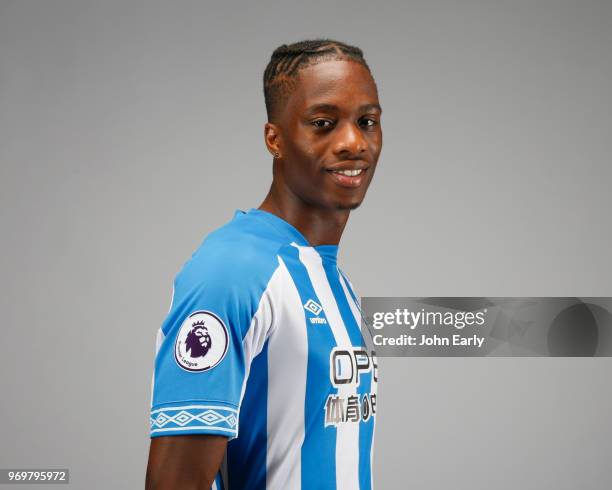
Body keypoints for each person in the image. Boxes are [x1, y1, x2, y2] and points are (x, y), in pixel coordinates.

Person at [146, 38, 383, 490]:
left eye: (367, 121)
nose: (353, 142)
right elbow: (174, 482)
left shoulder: (335, 282)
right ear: (274, 139)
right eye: (323, 123)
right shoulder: (232, 271)